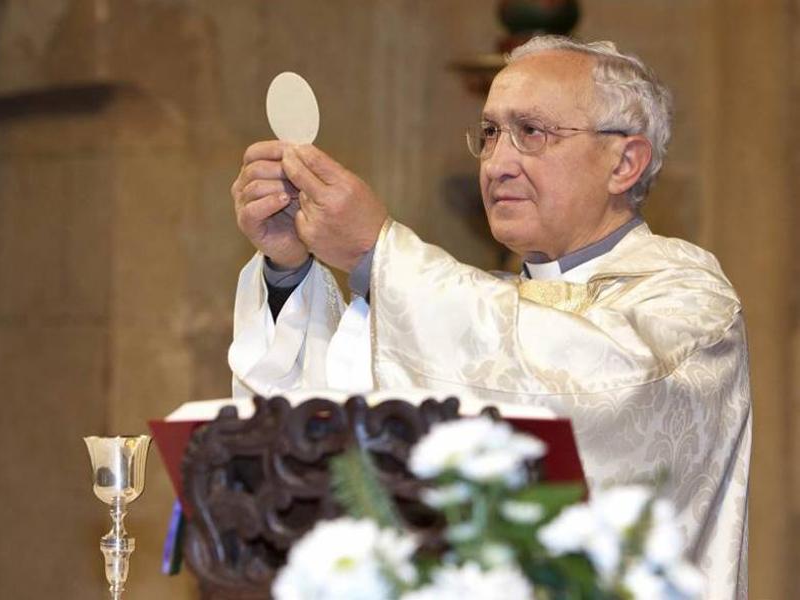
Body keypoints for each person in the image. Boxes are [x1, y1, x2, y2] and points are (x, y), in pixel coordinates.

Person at [228, 35, 750, 598]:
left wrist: (374, 254)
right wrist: (288, 273)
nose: (498, 163)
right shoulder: (479, 308)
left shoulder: (689, 302)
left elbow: (584, 389)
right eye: (492, 133)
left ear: (624, 162)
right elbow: (325, 439)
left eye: (532, 132)